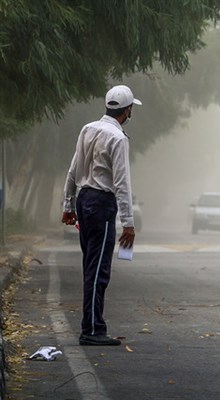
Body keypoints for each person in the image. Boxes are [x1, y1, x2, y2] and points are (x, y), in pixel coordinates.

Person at [61, 85, 141, 346]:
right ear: (127, 110)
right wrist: (128, 223)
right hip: (101, 204)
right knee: (98, 269)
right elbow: (122, 183)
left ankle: (92, 325)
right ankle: (93, 329)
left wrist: (68, 204)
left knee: (90, 265)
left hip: (84, 199)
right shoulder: (118, 139)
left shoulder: (88, 129)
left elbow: (73, 169)